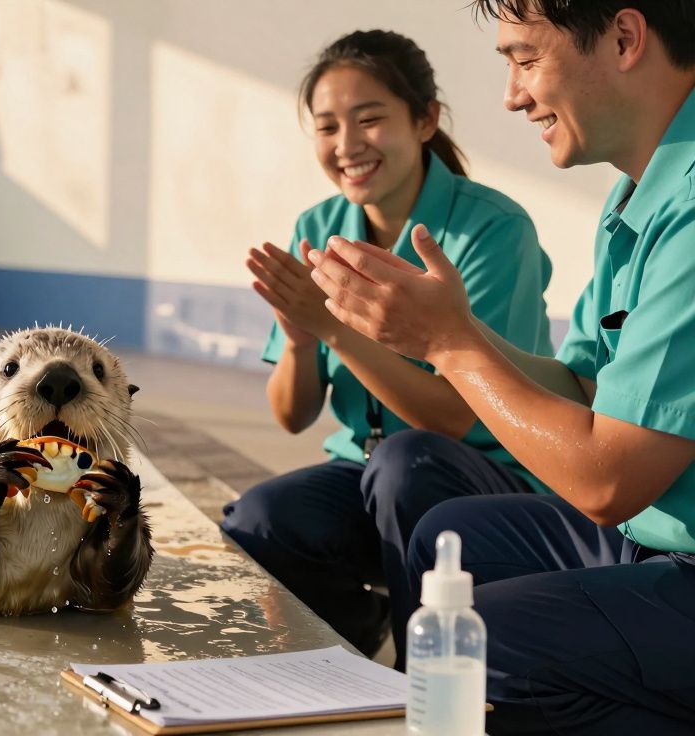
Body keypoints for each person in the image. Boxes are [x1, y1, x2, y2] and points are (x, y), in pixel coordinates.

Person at [305, 2, 695, 733]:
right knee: (450, 541)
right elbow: (583, 384)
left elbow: (607, 481)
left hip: (669, 544)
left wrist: (449, 345)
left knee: (477, 645)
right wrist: (445, 332)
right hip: (657, 533)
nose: (513, 95)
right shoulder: (638, 194)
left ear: (623, 37)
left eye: (524, 60)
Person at [221, 29, 554, 667]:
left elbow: (452, 420)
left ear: (426, 119)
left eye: (370, 119)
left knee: (408, 464)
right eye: (326, 127)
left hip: (480, 479)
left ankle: (422, 673)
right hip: (368, 473)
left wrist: (336, 330)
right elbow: (292, 415)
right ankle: (346, 640)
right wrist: (298, 337)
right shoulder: (317, 228)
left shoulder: (492, 230)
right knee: (260, 517)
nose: (347, 146)